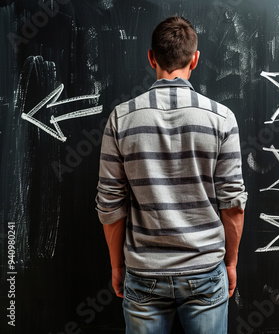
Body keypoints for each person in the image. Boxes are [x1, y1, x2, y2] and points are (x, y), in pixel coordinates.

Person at [95, 16, 247, 334]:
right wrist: (230, 263)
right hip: (205, 270)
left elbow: (110, 206)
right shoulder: (222, 119)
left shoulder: (121, 119)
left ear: (151, 58)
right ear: (195, 58)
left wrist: (117, 265)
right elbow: (233, 205)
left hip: (143, 274)